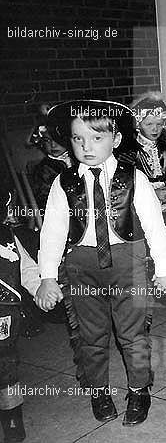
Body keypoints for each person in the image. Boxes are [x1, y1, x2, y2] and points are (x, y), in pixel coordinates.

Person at [36, 100, 166, 426]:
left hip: (128, 262)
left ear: (115, 139)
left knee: (134, 333)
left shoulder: (134, 178)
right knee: (90, 335)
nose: (86, 147)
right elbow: (53, 231)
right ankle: (98, 390)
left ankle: (139, 389)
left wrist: (165, 268)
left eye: (96, 138)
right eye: (77, 139)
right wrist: (47, 276)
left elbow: (155, 226)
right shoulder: (65, 183)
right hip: (82, 266)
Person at [0, 183, 26, 442]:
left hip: (4, 314)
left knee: (6, 365)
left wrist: (44, 287)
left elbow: (26, 266)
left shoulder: (7, 237)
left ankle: (12, 418)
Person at [126, 92, 166, 206]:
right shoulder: (131, 151)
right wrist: (153, 193)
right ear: (138, 125)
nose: (155, 129)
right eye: (149, 124)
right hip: (141, 196)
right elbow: (127, 182)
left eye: (159, 124)